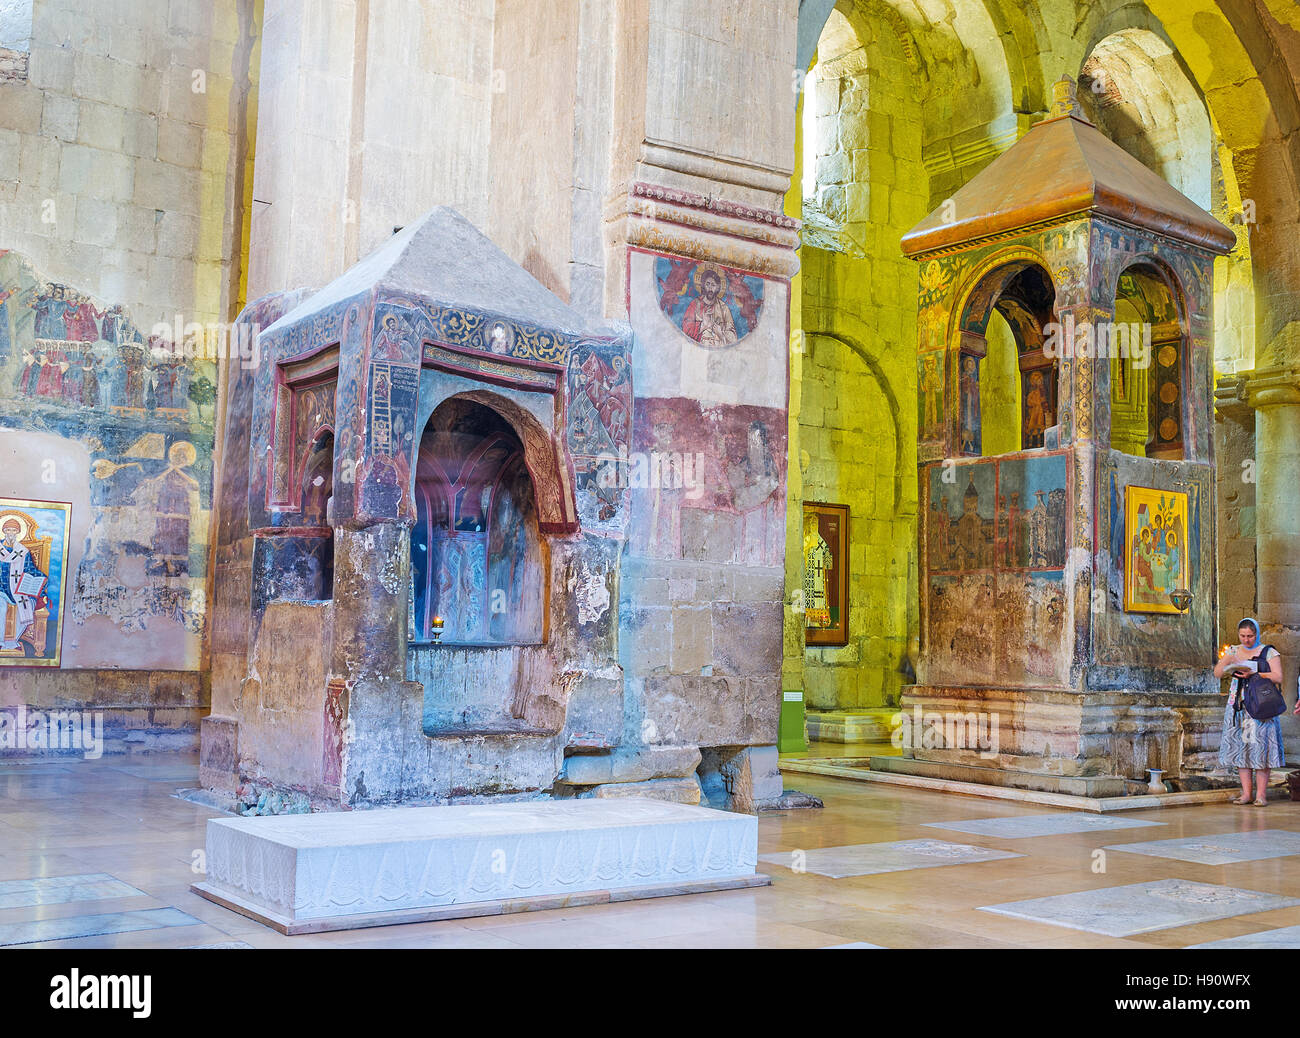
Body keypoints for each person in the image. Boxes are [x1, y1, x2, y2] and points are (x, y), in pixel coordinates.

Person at [1213, 617, 1288, 805]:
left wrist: (1256, 672)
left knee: (1261, 749)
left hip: (1261, 707)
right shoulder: (1233, 650)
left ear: (1257, 634)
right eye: (1243, 636)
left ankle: (1261, 795)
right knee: (1243, 749)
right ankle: (1246, 794)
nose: (1246, 640)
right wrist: (1228, 663)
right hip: (1240, 706)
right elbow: (1217, 673)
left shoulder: (1269, 652)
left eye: (1250, 636)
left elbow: (1278, 676)